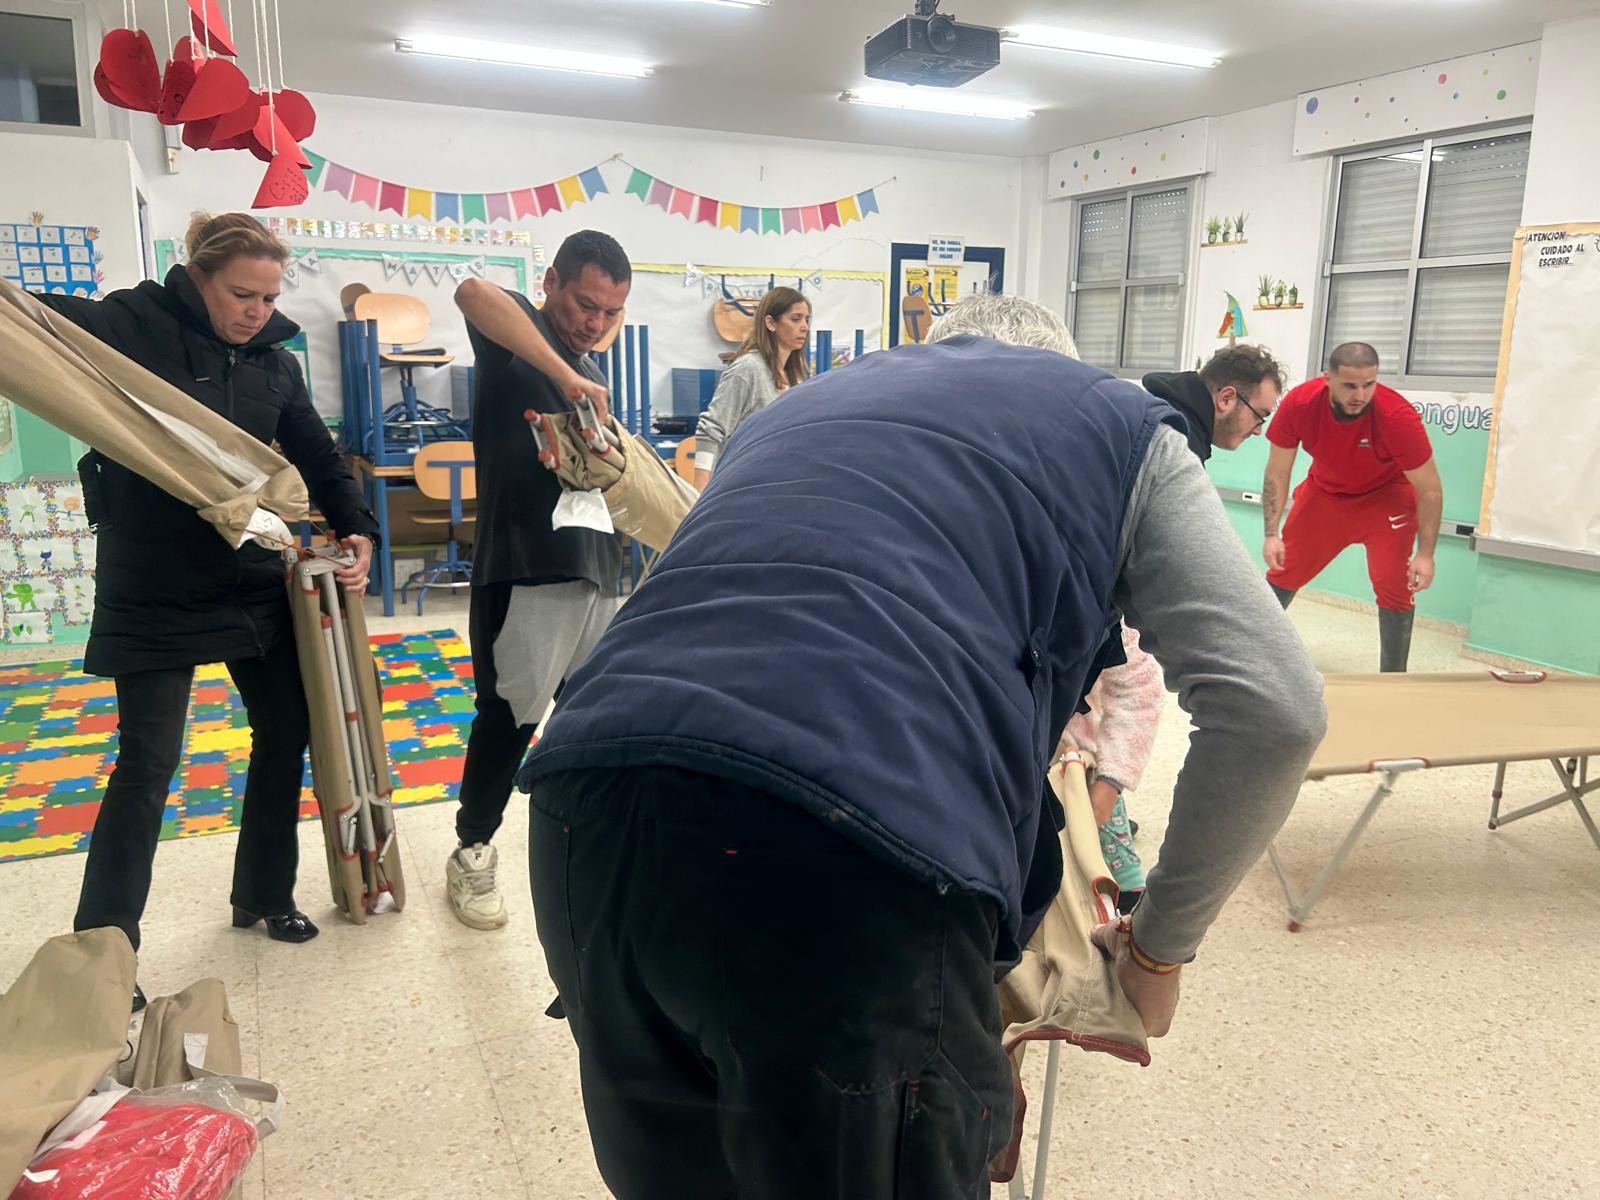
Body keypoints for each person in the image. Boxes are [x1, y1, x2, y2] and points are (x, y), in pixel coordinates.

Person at [514, 292, 1327, 1199]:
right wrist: (1157, 953)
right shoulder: (1115, 423)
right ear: (1056, 365)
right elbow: (1275, 708)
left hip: (585, 807)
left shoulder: (791, 412)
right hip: (841, 856)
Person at [34, 212, 378, 1007]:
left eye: (268, 296)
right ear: (197, 275)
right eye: (240, 293)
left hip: (250, 577)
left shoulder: (275, 365)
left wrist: (356, 526)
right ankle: (105, 956)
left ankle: (261, 894)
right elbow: (41, 325)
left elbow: (317, 457)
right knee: (148, 764)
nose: (256, 309)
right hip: (153, 580)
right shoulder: (133, 322)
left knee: (287, 729)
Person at [445, 231, 629, 930]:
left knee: (594, 720)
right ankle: (472, 850)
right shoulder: (518, 337)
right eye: (586, 303)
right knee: (509, 719)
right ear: (551, 282)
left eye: (610, 313)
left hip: (597, 573)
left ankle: (587, 850)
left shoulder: (587, 371)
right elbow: (471, 293)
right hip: (525, 569)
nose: (594, 322)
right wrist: (566, 373)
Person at [1262, 341, 1442, 672]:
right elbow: (1277, 472)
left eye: (1368, 384)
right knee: (1284, 569)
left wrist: (1426, 554)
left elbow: (1429, 489)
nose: (1359, 394)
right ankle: (1249, 656)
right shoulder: (1301, 404)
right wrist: (1271, 533)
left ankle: (1393, 678)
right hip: (1325, 496)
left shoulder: (1396, 416)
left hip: (1386, 498)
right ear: (1327, 378)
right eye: (1349, 385)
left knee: (1394, 586)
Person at [1057, 622, 1164, 914]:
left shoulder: (1114, 622)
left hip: (1076, 757)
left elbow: (1140, 692)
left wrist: (1110, 783)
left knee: (1118, 875)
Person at [692, 285, 811, 489]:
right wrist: (697, 494)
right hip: (739, 486)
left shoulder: (795, 377)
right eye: (795, 319)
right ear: (771, 323)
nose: (805, 327)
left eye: (806, 319)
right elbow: (710, 431)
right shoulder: (747, 369)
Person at [1141, 342, 1286, 460]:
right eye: (1258, 416)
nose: (1258, 431)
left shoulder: (1159, 411)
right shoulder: (1179, 444)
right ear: (1226, 399)